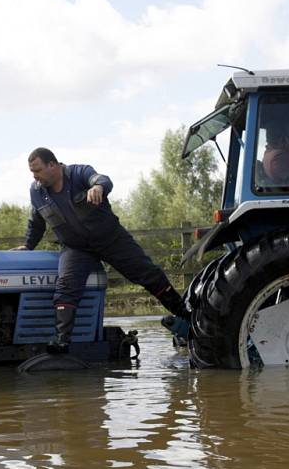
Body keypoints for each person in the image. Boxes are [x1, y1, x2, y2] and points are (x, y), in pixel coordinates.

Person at [14, 147, 185, 354]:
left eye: (38, 170)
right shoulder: (36, 191)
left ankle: (185, 316)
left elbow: (103, 179)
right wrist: (28, 246)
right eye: (32, 172)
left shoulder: (79, 173)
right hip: (76, 248)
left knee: (148, 274)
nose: (35, 176)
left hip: (111, 239)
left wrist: (98, 188)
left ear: (53, 165)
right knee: (66, 286)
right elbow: (36, 222)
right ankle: (61, 341)